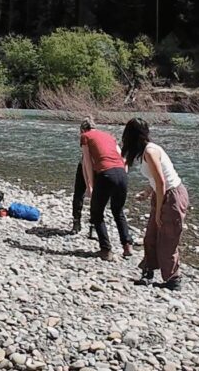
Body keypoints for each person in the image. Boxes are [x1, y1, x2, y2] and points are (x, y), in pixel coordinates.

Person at [122, 118, 189, 290]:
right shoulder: (147, 151)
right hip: (162, 194)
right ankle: (148, 272)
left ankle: (174, 280)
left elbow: (162, 183)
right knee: (150, 237)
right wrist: (147, 192)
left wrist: (159, 211)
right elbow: (157, 180)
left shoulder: (151, 151)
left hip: (172, 197)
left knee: (167, 239)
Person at [79, 117, 132, 261]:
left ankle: (106, 250)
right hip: (121, 173)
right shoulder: (109, 136)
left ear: (82, 130)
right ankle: (127, 245)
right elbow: (123, 158)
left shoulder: (85, 136)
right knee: (118, 210)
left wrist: (90, 185)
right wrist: (123, 175)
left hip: (105, 174)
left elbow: (87, 162)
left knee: (96, 213)